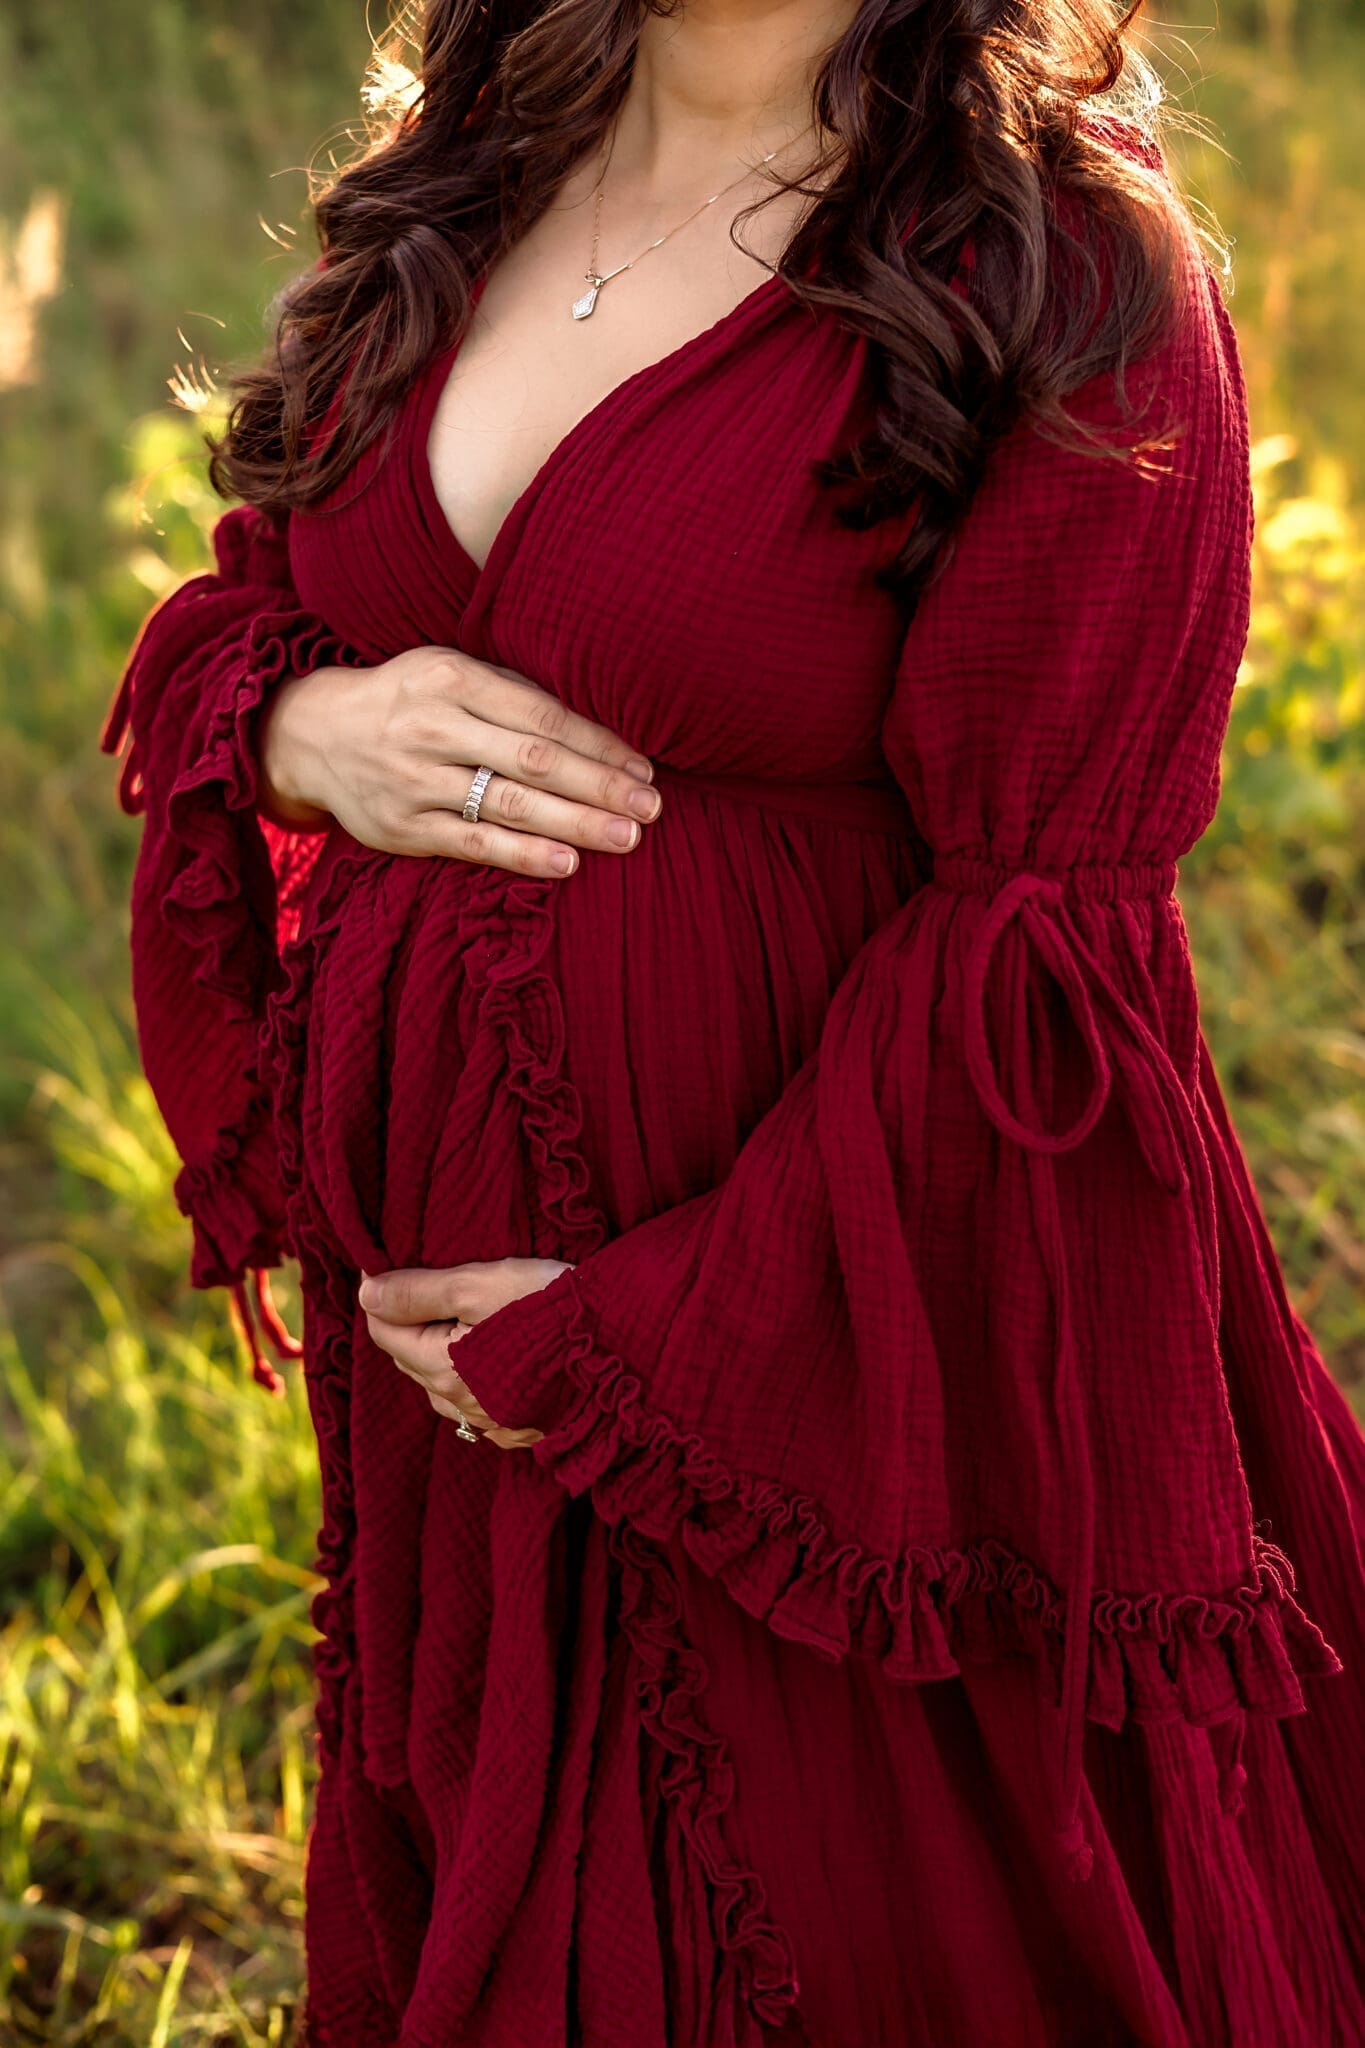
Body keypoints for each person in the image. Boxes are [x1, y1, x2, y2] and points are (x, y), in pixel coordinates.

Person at [104, 0, 1365, 2041]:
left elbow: (1040, 981)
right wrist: (304, 724)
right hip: (439, 1345)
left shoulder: (1063, 277)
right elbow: (275, 585)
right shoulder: (473, 177)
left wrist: (642, 1336)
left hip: (820, 1363)